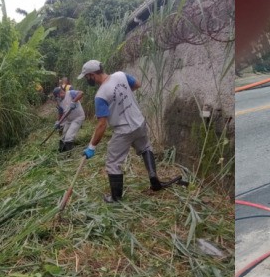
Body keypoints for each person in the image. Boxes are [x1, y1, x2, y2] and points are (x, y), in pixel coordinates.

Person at [77, 60, 179, 203]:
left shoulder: (100, 95)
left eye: (87, 77)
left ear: (92, 75)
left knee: (113, 162)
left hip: (123, 130)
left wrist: (91, 147)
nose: (87, 80)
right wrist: (123, 96)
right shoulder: (120, 75)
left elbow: (101, 125)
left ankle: (116, 197)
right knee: (145, 148)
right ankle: (153, 176)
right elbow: (137, 84)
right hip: (139, 122)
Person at [52, 86, 85, 152]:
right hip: (69, 120)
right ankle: (62, 151)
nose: (58, 98)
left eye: (58, 96)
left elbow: (81, 93)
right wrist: (58, 122)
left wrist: (74, 101)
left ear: (60, 93)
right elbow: (60, 113)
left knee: (69, 137)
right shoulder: (60, 102)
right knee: (63, 136)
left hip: (78, 118)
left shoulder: (70, 93)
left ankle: (69, 153)